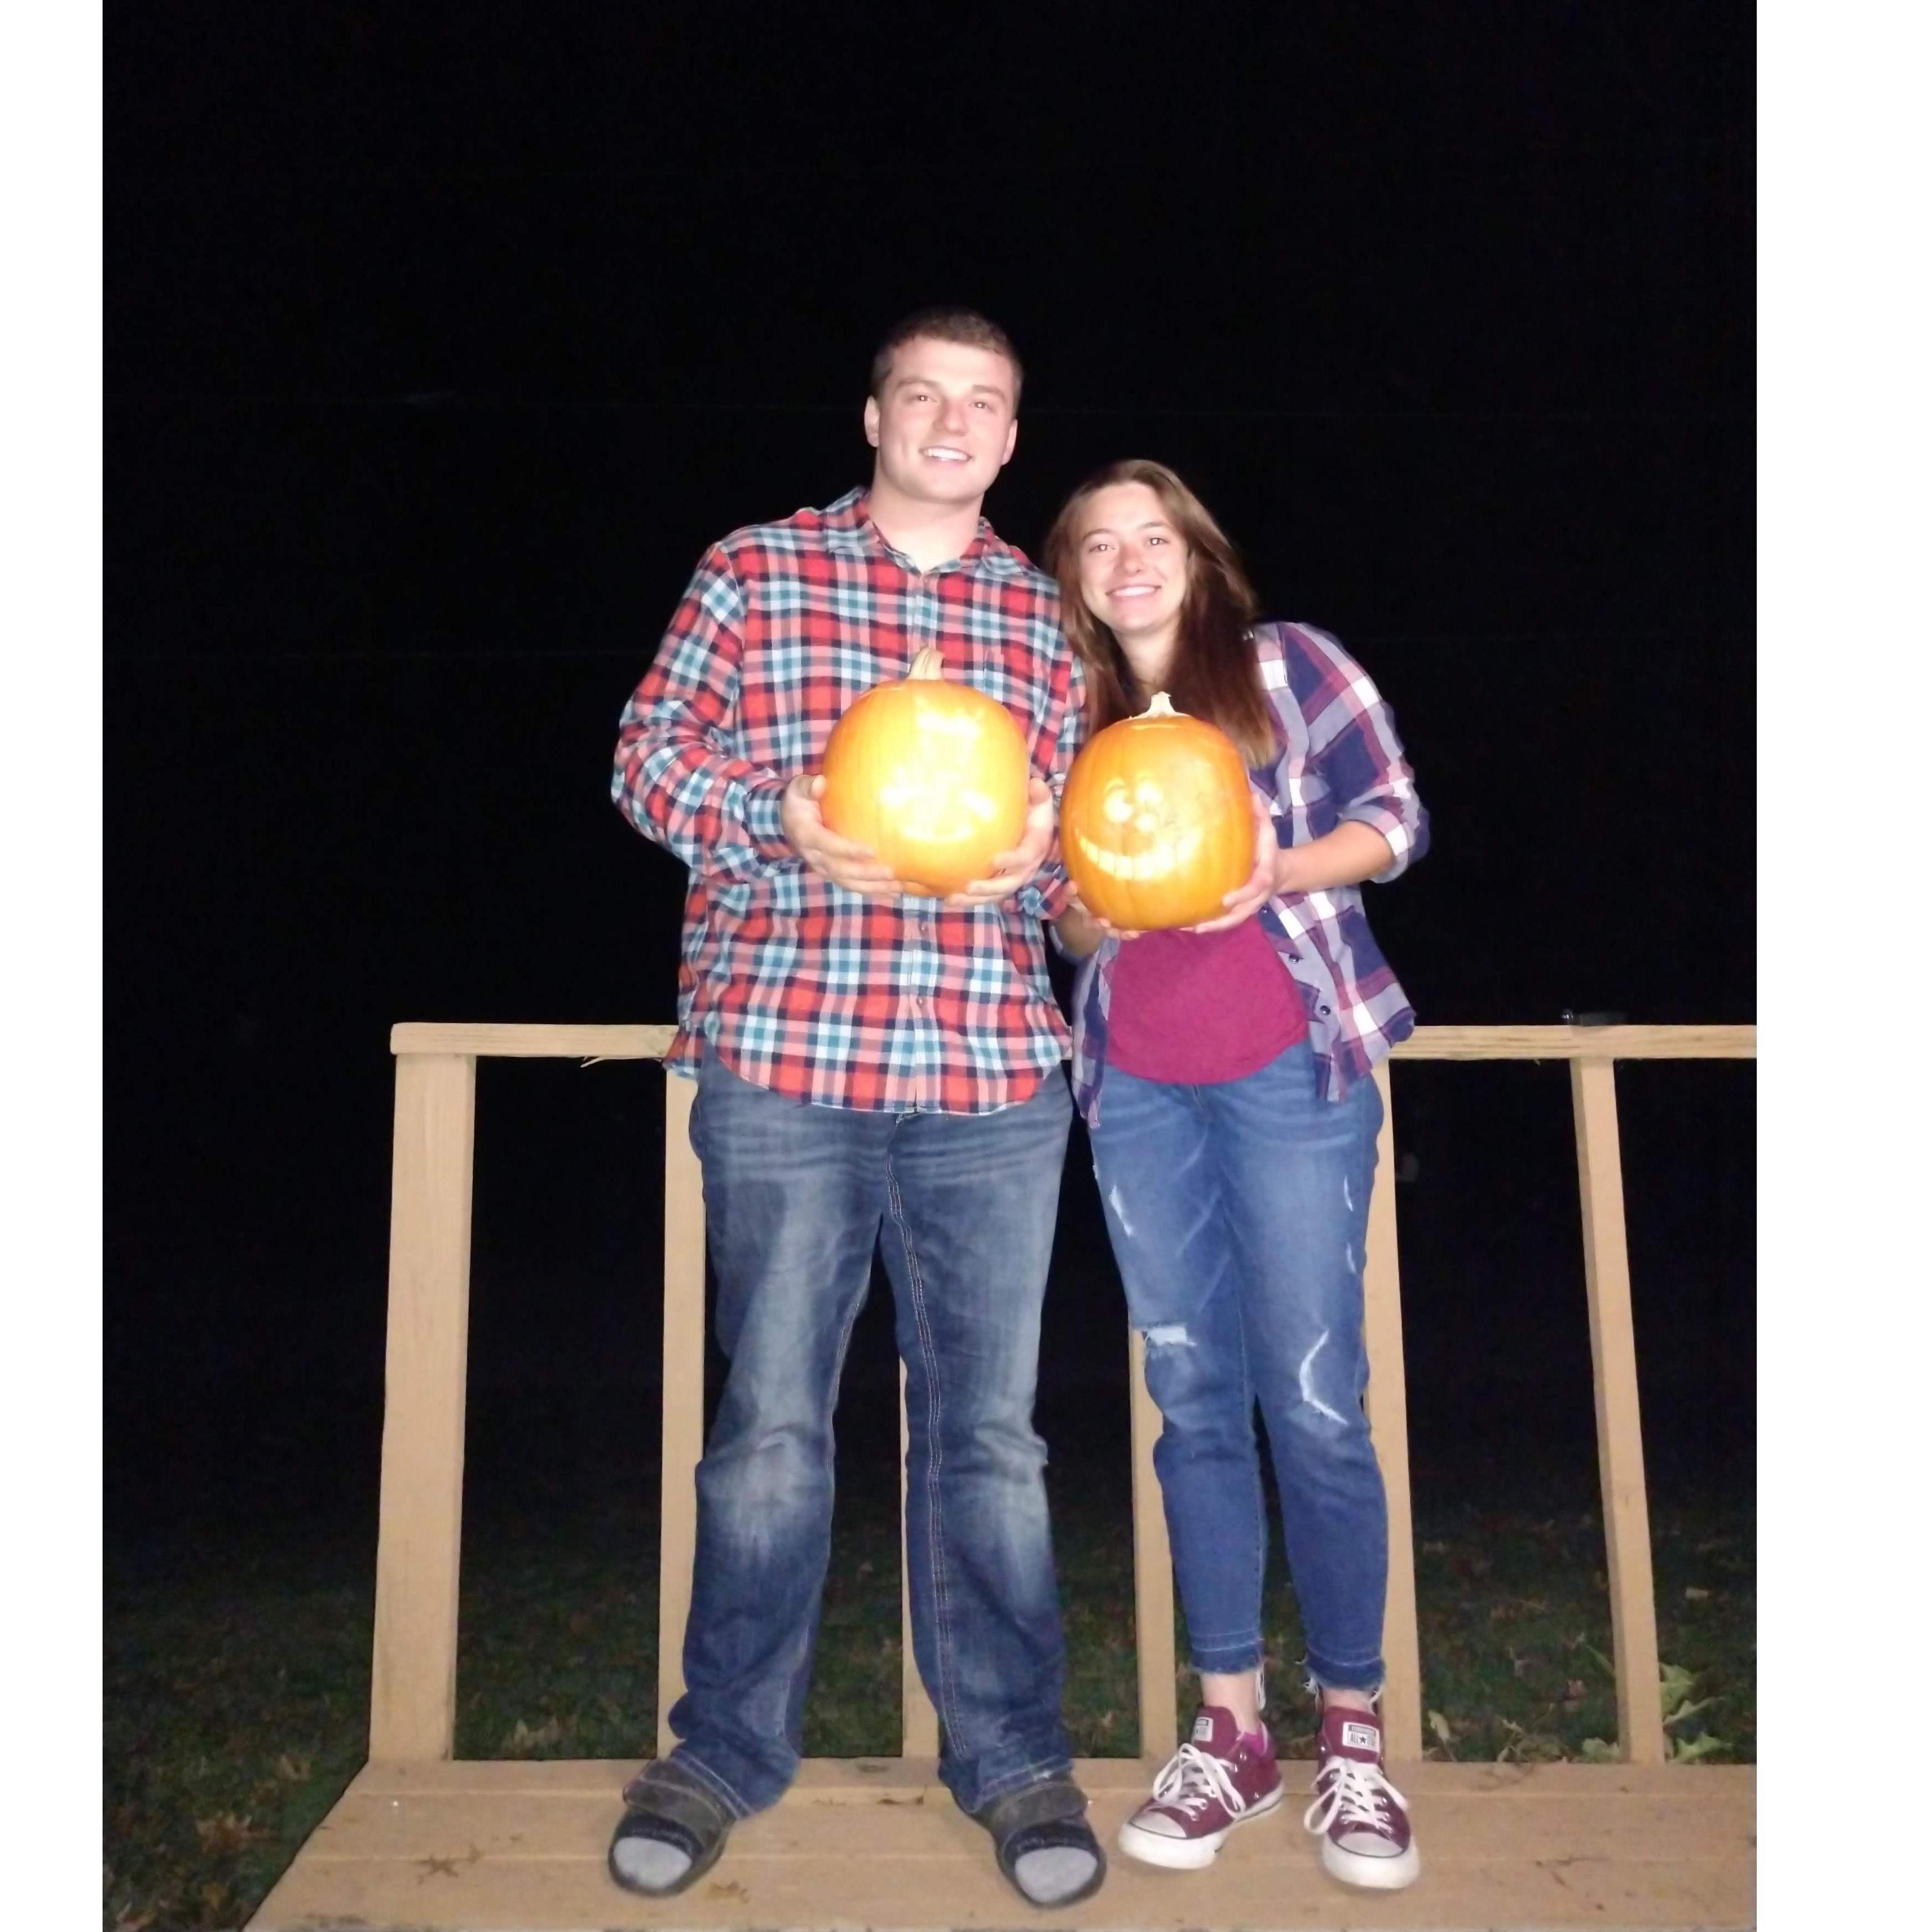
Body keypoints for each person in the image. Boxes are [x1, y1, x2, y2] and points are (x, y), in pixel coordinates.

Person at [605, 308, 1105, 1909]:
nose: (954, 422)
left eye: (986, 404)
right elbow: (646, 757)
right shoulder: (753, 570)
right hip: (785, 1056)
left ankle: (1016, 1758)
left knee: (993, 1441)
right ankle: (723, 1750)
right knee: (765, 1430)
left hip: (988, 1078)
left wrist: (1064, 871)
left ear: (1012, 439)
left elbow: (1092, 857)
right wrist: (776, 822)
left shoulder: (1045, 619)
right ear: (876, 414)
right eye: (926, 395)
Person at [1043, 459, 1430, 1891]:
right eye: (1101, 545)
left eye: (1154, 537)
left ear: (1196, 555)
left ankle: (1354, 1736)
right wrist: (1087, 904)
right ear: (1076, 575)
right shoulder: (1067, 720)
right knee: (1194, 1399)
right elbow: (1075, 928)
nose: (1130, 562)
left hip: (1291, 1068)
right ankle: (1232, 1732)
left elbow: (1395, 820)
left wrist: (1278, 868)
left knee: (1317, 1401)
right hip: (1138, 1088)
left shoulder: (1283, 669)